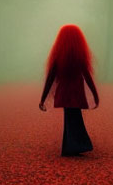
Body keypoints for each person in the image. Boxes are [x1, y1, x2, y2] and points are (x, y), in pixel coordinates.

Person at [39, 24, 99, 156]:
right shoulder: (79, 56)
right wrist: (95, 95)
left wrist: (43, 98)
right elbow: (87, 76)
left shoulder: (59, 56)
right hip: (76, 92)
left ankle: (71, 146)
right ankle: (74, 146)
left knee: (70, 116)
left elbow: (50, 77)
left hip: (65, 92)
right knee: (74, 116)